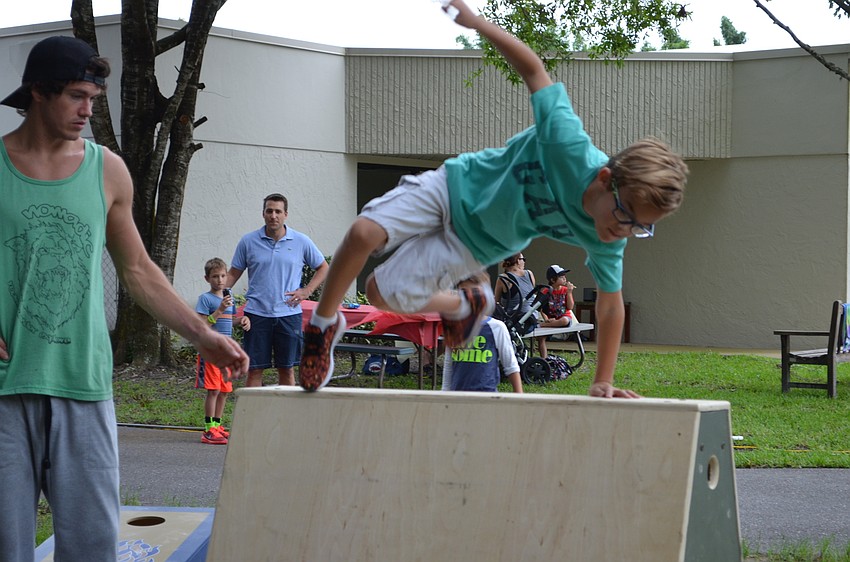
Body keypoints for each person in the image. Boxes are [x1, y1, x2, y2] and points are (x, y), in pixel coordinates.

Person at [299, 0, 688, 398]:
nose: (624, 230)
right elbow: (534, 69)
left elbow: (610, 305)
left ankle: (461, 305)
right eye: (625, 215)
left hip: (476, 243)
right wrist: (477, 22)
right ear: (607, 180)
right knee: (363, 232)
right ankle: (322, 326)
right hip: (455, 188)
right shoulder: (568, 143)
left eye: (640, 227)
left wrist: (602, 380)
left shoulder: (608, 237)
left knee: (380, 291)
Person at [0, 36, 248, 561]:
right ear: (38, 94)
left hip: (83, 382)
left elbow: (138, 271)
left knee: (92, 548)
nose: (88, 109)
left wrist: (203, 335)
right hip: (5, 389)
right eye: (75, 96)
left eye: (93, 97)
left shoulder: (106, 169)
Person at [227, 193, 329, 387]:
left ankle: (286, 416)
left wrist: (306, 291)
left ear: (286, 214)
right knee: (255, 369)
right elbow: (233, 274)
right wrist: (216, 296)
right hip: (256, 315)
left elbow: (323, 268)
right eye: (269, 211)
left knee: (287, 368)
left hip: (289, 315)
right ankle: (253, 416)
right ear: (263, 214)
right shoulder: (248, 242)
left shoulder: (301, 241)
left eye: (278, 211)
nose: (273, 215)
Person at [195, 257, 251, 445]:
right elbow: (201, 324)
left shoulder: (229, 298)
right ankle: (208, 429)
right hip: (211, 351)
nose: (219, 280)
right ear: (207, 279)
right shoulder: (205, 299)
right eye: (215, 276)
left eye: (222, 276)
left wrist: (242, 320)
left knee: (225, 390)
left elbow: (229, 320)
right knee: (214, 390)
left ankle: (218, 425)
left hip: (226, 352)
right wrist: (219, 310)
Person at [442, 277, 523, 393]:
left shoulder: (497, 328)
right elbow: (449, 366)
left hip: (487, 397)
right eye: (463, 292)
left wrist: (519, 398)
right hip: (458, 398)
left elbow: (511, 365)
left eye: (475, 291)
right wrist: (445, 394)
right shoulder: (454, 328)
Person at [537, 264, 577, 359]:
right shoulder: (546, 291)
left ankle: (542, 325)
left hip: (563, 318)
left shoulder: (565, 290)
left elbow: (570, 307)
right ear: (552, 280)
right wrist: (546, 319)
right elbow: (542, 309)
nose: (564, 279)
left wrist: (569, 292)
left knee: (565, 321)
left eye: (564, 276)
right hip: (551, 320)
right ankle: (544, 359)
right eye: (561, 277)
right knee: (541, 338)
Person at [494, 252, 538, 334]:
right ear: (518, 261)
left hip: (514, 321)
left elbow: (496, 301)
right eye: (523, 259)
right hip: (532, 319)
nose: (524, 262)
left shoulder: (503, 278)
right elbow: (530, 294)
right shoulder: (529, 273)